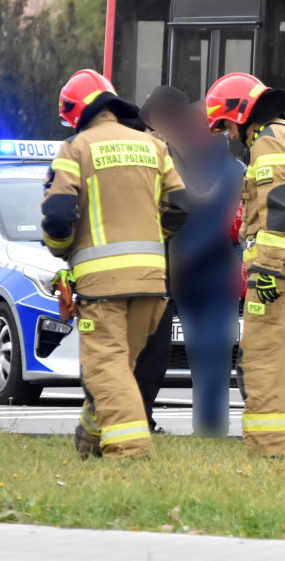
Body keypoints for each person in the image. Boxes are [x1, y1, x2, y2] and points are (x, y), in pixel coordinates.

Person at [41, 69, 188, 459]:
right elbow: (179, 206)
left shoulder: (75, 149)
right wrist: (155, 240)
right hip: (152, 283)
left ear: (75, 114)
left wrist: (62, 250)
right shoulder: (152, 146)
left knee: (105, 369)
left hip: (102, 286)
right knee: (118, 368)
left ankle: (131, 451)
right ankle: (90, 441)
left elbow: (57, 217)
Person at [205, 72, 285, 459]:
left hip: (283, 271)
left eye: (226, 125)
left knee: (263, 360)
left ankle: (269, 452)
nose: (228, 135)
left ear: (241, 113)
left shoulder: (267, 143)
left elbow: (279, 203)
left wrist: (265, 268)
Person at [139, 86, 244, 439]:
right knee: (158, 352)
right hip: (183, 273)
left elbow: (220, 215)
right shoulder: (165, 159)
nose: (156, 132)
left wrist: (182, 257)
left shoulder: (221, 163)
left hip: (207, 273)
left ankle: (211, 430)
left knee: (210, 351)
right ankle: (148, 421)